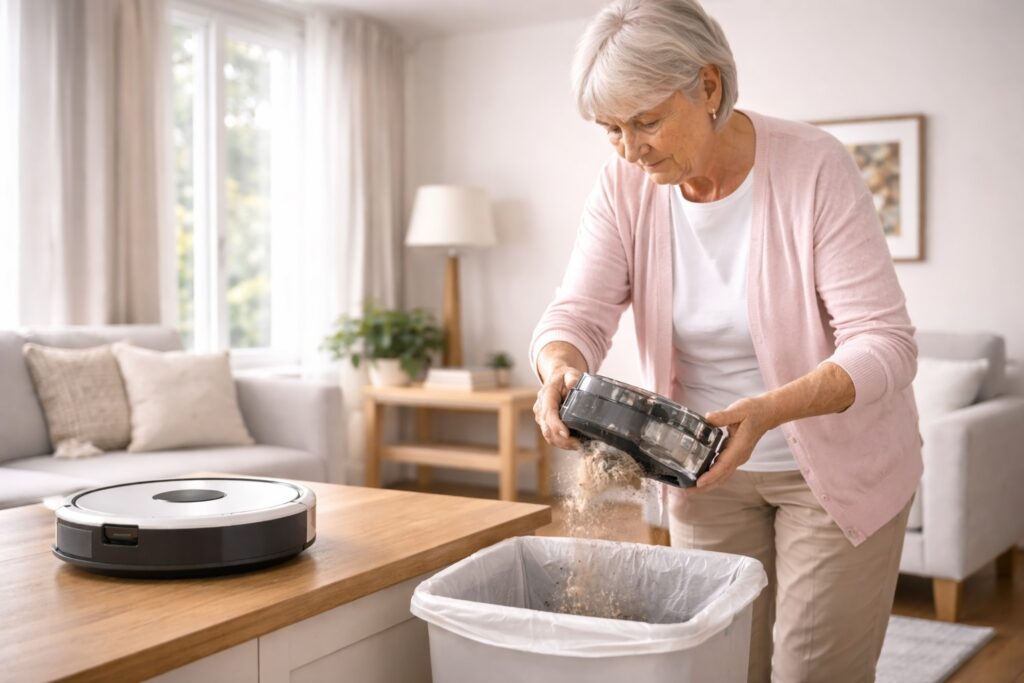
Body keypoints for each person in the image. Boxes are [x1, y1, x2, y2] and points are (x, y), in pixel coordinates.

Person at [529, 0, 922, 680]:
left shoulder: (814, 167)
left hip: (833, 473)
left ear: (707, 87)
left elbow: (885, 342)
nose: (630, 148)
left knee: (811, 671)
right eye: (610, 129)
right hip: (702, 470)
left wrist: (768, 409)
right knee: (719, 663)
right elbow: (579, 310)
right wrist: (557, 366)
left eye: (646, 121)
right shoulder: (624, 184)